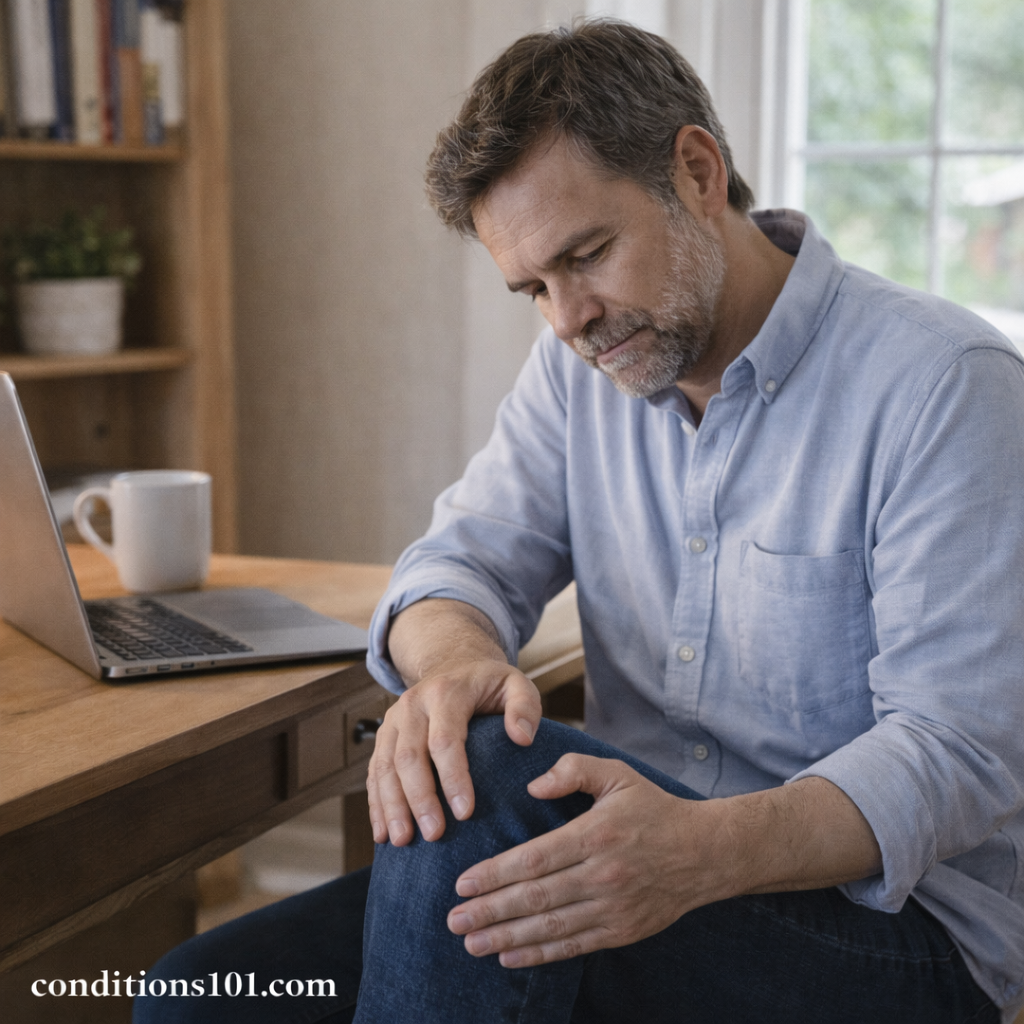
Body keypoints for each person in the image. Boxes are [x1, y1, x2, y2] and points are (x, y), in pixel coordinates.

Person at [135, 20, 1024, 1024]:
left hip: (891, 934)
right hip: (629, 866)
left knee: (491, 767)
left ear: (695, 170)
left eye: (586, 255)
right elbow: (457, 562)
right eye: (532, 288)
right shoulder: (580, 367)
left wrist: (698, 852)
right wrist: (456, 658)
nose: (566, 319)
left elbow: (960, 752)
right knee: (199, 996)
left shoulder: (944, 386)